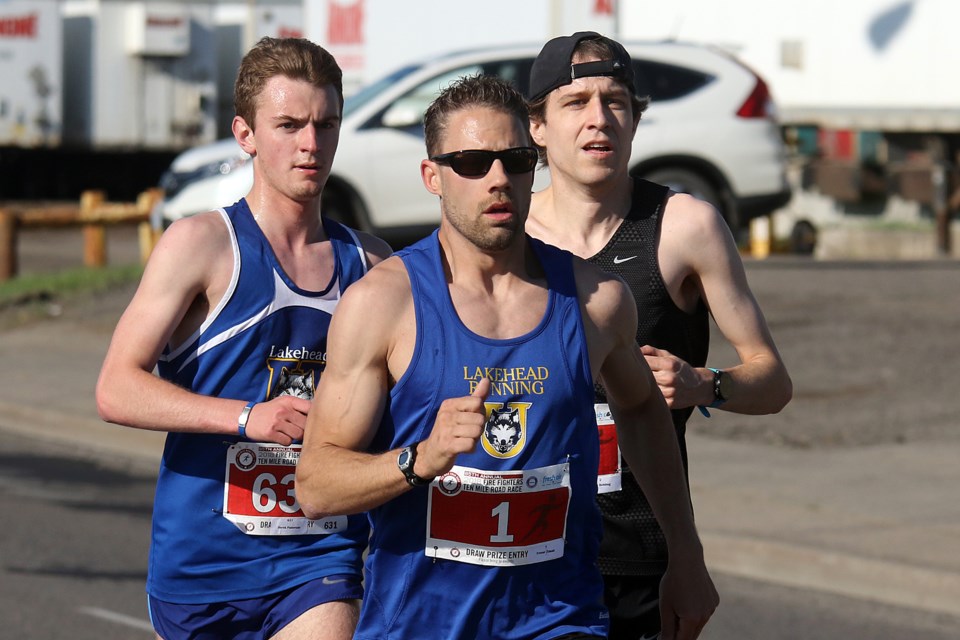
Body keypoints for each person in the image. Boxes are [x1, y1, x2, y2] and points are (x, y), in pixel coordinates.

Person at [295, 74, 718, 640]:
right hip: (421, 623)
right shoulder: (382, 304)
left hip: (559, 619)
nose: (498, 179)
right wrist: (419, 458)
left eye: (516, 159)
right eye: (471, 162)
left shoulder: (597, 301)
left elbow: (642, 412)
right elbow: (317, 484)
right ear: (433, 177)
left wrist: (684, 554)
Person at [96, 37, 391, 640]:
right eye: (288, 125)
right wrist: (247, 417)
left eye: (325, 124)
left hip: (319, 559)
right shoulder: (202, 244)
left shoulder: (372, 265)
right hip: (202, 567)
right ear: (245, 133)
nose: (310, 144)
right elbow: (116, 388)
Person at [525, 32, 793, 639]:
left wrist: (703, 383)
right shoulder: (509, 234)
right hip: (526, 549)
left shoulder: (683, 226)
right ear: (537, 126)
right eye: (575, 103)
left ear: (636, 118)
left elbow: (772, 381)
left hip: (640, 557)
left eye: (616, 101)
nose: (599, 119)